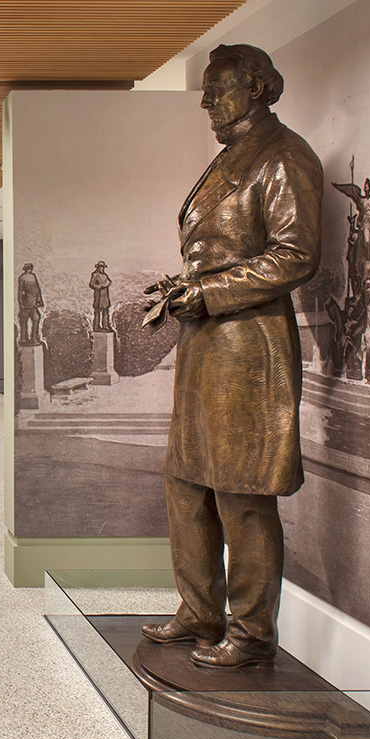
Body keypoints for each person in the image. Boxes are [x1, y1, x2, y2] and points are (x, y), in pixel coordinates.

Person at [141, 44, 323, 669]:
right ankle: (200, 610)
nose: (206, 101)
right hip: (208, 342)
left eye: (217, 89)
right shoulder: (231, 159)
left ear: (257, 88)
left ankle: (251, 633)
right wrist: (184, 292)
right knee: (187, 481)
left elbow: (297, 255)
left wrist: (208, 292)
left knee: (243, 490)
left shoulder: (286, 156)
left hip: (250, 346)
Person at [17, 263, 44, 345]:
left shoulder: (33, 276)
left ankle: (33, 338)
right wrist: (21, 304)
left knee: (35, 318)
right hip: (27, 303)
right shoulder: (22, 278)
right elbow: (20, 292)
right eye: (28, 268)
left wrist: (40, 300)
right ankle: (24, 338)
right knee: (24, 320)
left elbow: (37, 289)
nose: (30, 270)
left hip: (33, 302)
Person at [89, 261, 112, 330]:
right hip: (98, 296)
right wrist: (99, 286)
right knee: (97, 311)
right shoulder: (95, 275)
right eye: (101, 267)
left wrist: (106, 284)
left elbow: (109, 282)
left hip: (105, 296)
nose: (102, 269)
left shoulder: (105, 275)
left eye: (103, 267)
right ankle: (96, 326)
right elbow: (91, 284)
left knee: (105, 311)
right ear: (98, 268)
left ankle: (105, 326)